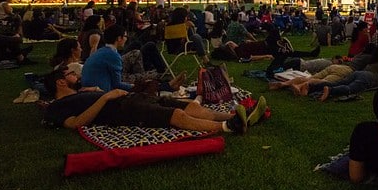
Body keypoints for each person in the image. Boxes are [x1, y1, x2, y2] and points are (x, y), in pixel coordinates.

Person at [43, 66, 252, 134]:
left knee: (189, 106)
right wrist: (105, 97)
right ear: (61, 83)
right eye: (70, 74)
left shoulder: (79, 93)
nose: (76, 75)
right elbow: (76, 124)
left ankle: (237, 116)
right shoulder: (57, 106)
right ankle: (227, 126)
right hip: (124, 109)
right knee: (177, 115)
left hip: (134, 98)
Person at [311, 45, 378, 101]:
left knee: (338, 83)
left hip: (359, 73)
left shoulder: (372, 61)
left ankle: (312, 88)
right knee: (350, 89)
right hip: (369, 78)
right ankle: (330, 90)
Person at [81, 25, 134, 92]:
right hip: (100, 93)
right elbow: (117, 84)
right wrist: (133, 87)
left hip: (89, 90)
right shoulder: (113, 55)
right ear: (119, 38)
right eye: (125, 36)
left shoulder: (100, 52)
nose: (126, 39)